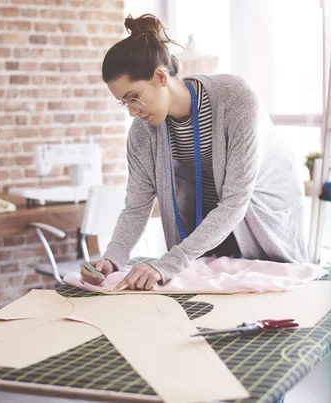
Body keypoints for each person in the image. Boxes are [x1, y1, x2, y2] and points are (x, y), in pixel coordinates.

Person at [80, 14, 307, 292]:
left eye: (133, 97)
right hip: (207, 227)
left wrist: (169, 262)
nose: (132, 111)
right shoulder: (141, 132)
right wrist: (112, 258)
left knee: (271, 298)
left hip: (260, 214)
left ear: (160, 77)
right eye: (123, 102)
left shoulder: (237, 98)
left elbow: (236, 201)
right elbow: (137, 205)